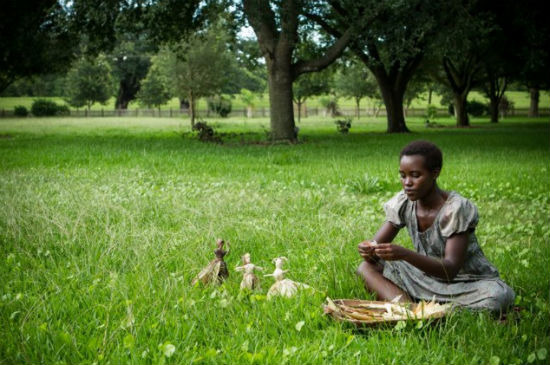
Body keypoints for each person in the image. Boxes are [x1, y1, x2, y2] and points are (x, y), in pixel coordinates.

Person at [356, 140, 515, 313]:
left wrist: (404, 254)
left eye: (415, 175)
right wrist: (368, 250)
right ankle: (412, 312)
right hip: (425, 278)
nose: (407, 182)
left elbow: (450, 269)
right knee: (366, 268)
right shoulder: (404, 203)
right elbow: (374, 251)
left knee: (496, 297)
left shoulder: (455, 209)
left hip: (467, 283)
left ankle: (424, 307)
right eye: (403, 175)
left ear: (435, 173)